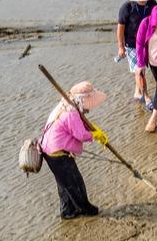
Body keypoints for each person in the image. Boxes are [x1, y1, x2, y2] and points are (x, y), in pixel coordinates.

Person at [40, 81, 109, 220]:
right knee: (75, 182)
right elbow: (81, 135)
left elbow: (81, 124)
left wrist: (94, 130)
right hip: (57, 154)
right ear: (82, 100)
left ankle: (67, 211)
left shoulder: (65, 105)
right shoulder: (70, 113)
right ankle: (86, 209)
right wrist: (95, 135)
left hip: (50, 150)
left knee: (64, 184)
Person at [117, 0, 157, 109]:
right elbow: (120, 28)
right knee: (140, 71)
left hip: (149, 42)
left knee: (142, 70)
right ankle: (146, 97)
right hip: (132, 44)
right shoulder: (127, 7)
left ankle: (137, 91)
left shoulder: (152, 4)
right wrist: (121, 46)